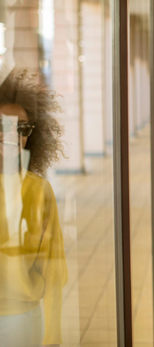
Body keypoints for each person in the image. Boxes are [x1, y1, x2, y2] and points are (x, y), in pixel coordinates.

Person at [0, 68, 68, 347]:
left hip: (22, 319)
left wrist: (52, 337)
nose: (13, 135)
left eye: (22, 128)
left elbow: (54, 271)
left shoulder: (39, 191)